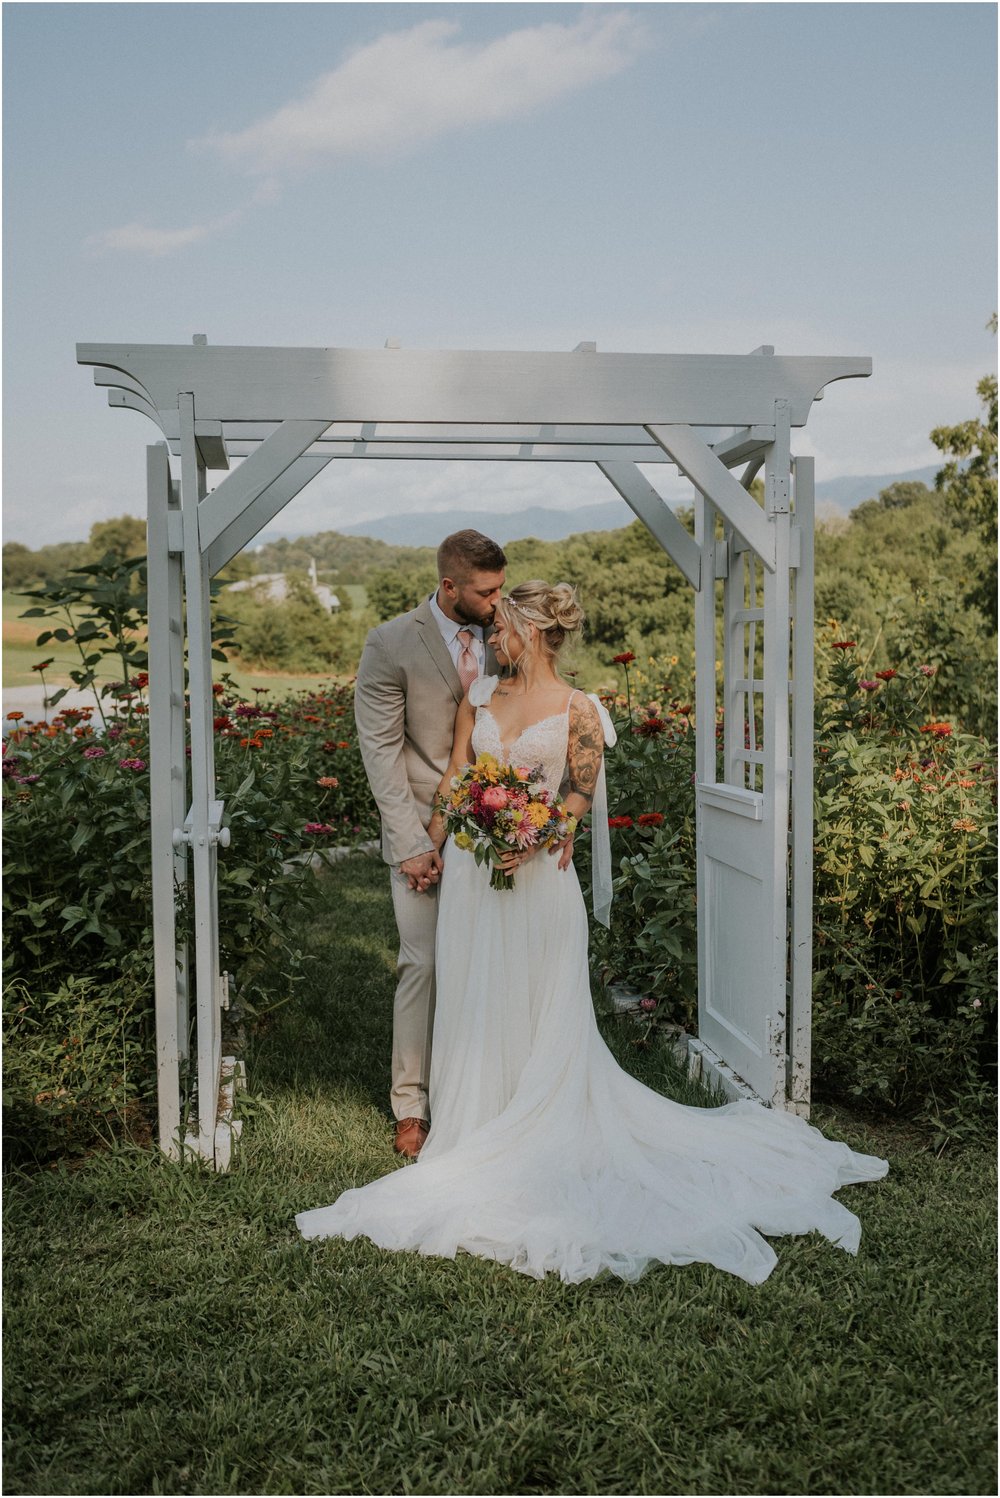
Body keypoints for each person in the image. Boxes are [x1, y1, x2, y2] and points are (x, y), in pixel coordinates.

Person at [299, 582, 888, 1285]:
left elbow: (576, 796)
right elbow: (456, 779)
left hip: (539, 878)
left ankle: (537, 1122)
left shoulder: (581, 710)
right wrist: (433, 844)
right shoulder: (478, 698)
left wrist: (533, 830)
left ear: (538, 632)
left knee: (542, 1003)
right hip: (471, 880)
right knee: (476, 998)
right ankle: (475, 1120)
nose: (492, 639)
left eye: (503, 628)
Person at [352, 529, 507, 1159]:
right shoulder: (390, 643)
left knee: (495, 960)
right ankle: (410, 1105)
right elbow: (381, 751)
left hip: (500, 826)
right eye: (485, 590)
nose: (498, 602)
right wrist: (412, 843)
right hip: (421, 826)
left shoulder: (507, 635)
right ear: (449, 586)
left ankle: (486, 1093)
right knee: (423, 963)